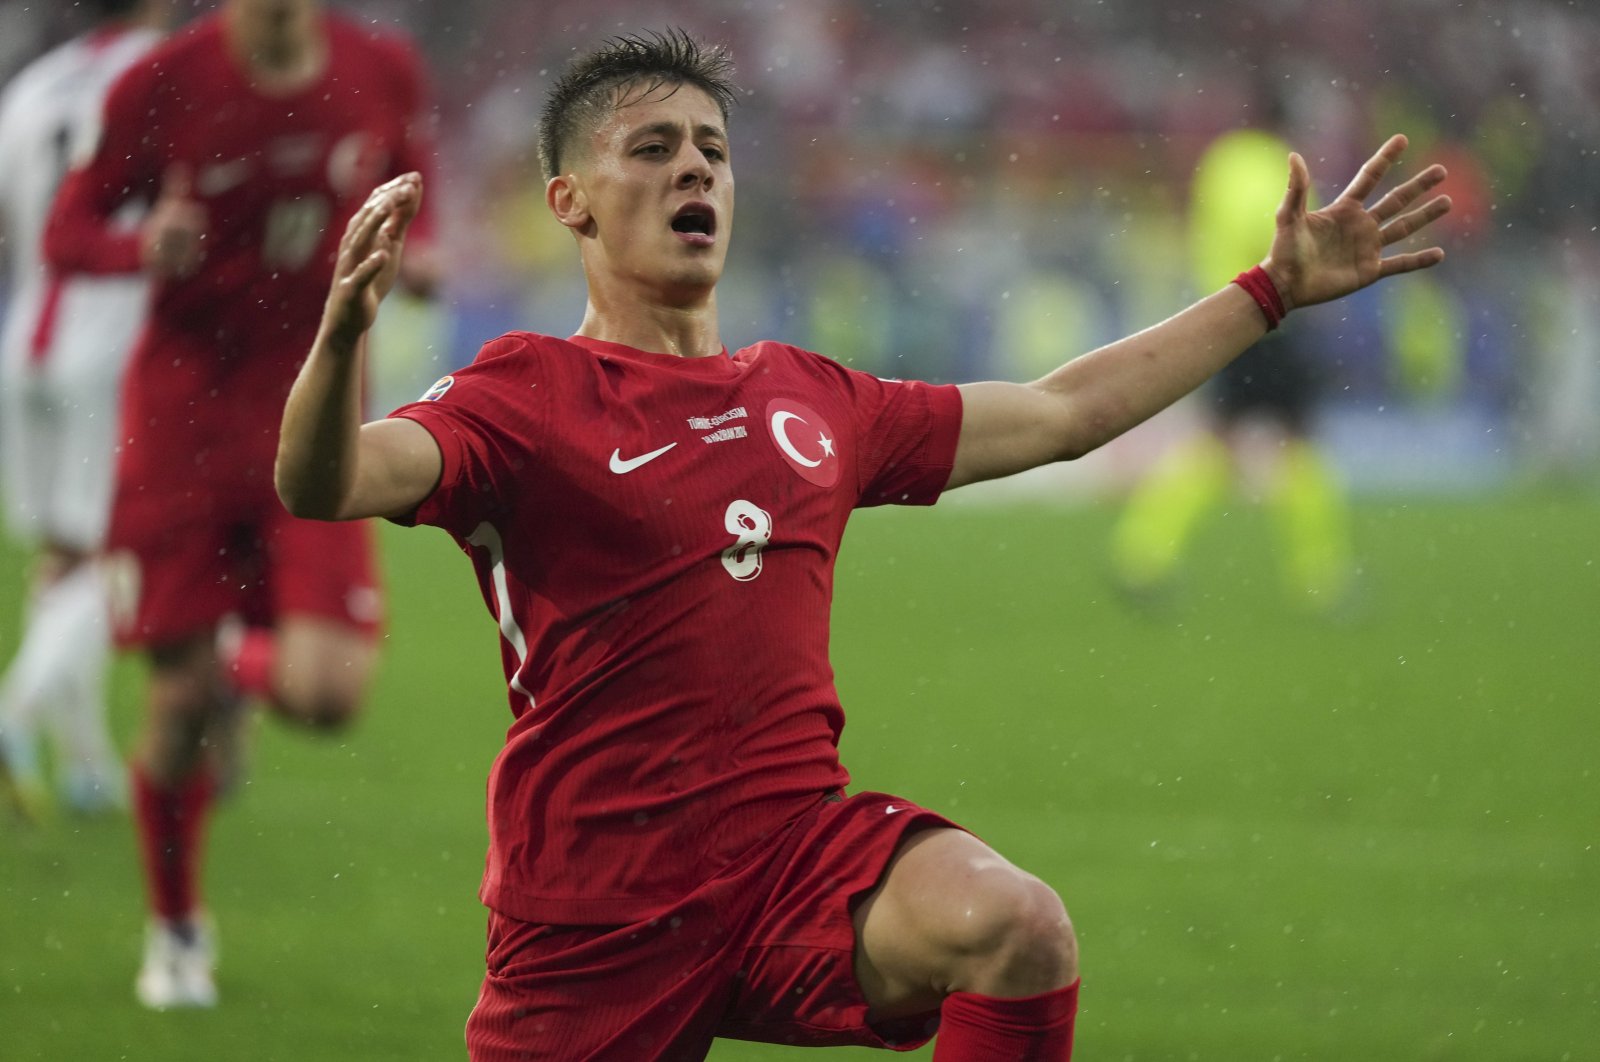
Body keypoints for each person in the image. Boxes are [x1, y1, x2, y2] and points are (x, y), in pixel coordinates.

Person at [276, 29, 1449, 1060]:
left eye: (713, 151)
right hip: (594, 910)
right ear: (569, 201)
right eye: (652, 149)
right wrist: (338, 341)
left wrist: (1266, 294)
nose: (694, 166)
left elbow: (1057, 414)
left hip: (793, 859)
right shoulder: (528, 392)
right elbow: (324, 480)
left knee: (1016, 927)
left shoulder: (809, 397)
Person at [43, 0, 436, 1011]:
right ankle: (176, 930)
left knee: (326, 694)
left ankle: (231, 665)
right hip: (180, 424)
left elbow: (408, 178)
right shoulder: (162, 84)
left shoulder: (377, 68)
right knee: (175, 712)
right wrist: (141, 247)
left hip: (313, 415)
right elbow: (68, 226)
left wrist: (420, 250)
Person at [0, 0, 169, 821]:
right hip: (115, 343)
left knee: (66, 556)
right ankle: (13, 712)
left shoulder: (32, 87)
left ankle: (85, 760)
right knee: (120, 554)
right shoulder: (167, 78)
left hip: (25, 342)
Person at [1110, 119, 1355, 614]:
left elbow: (1212, 226)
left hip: (1226, 317)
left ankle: (1142, 552)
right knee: (1296, 445)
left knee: (1216, 445)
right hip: (1271, 319)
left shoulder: (1222, 160)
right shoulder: (1279, 165)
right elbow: (1270, 230)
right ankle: (1321, 576)